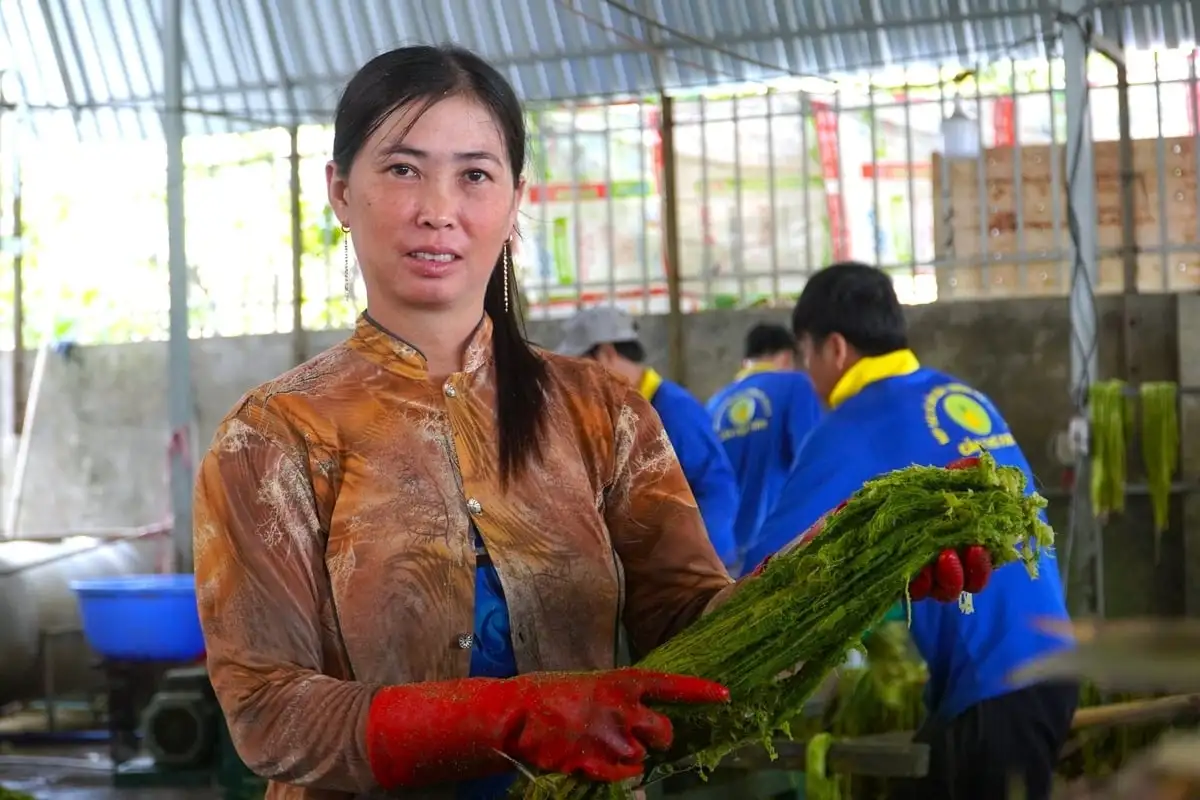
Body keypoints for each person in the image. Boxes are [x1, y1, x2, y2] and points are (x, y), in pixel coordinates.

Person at [192, 45, 740, 800]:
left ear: (516, 201)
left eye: (474, 175)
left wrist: (843, 563)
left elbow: (689, 624)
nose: (438, 210)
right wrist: (509, 718)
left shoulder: (603, 412)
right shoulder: (273, 436)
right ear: (341, 191)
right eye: (403, 169)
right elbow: (270, 713)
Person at [747, 263, 1075, 800]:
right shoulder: (959, 397)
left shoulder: (853, 423)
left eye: (806, 355)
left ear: (834, 349)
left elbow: (764, 571)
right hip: (1045, 668)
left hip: (992, 686)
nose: (808, 376)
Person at [556, 306, 740, 567]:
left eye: (578, 367)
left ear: (607, 353)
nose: (574, 381)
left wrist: (695, 562)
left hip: (698, 569)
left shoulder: (674, 410)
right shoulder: (619, 413)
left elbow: (715, 489)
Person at [706, 323, 822, 574]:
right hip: (778, 550)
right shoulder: (795, 385)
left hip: (723, 556)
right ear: (786, 356)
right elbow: (812, 458)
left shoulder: (715, 404)